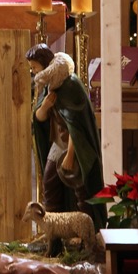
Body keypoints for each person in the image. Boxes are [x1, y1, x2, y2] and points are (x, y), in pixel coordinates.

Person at [26, 44, 105, 225]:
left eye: (34, 67)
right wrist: (45, 106)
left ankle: (86, 229)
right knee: (50, 182)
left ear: (44, 64)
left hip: (76, 147)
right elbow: (39, 118)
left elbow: (76, 127)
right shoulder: (50, 84)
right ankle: (55, 228)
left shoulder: (70, 85)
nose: (33, 71)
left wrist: (70, 155)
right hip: (58, 143)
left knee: (81, 188)